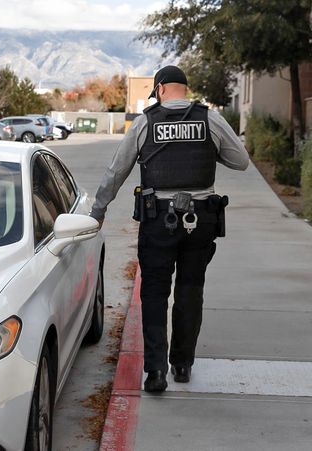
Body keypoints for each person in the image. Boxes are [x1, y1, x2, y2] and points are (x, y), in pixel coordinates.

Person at [89, 65, 249, 393]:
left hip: (158, 220)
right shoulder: (211, 119)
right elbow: (240, 160)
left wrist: (98, 210)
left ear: (160, 89)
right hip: (200, 220)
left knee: (154, 294)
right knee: (190, 292)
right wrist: (207, 152)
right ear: (183, 89)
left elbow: (116, 171)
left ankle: (156, 371)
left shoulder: (146, 121)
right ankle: (182, 365)